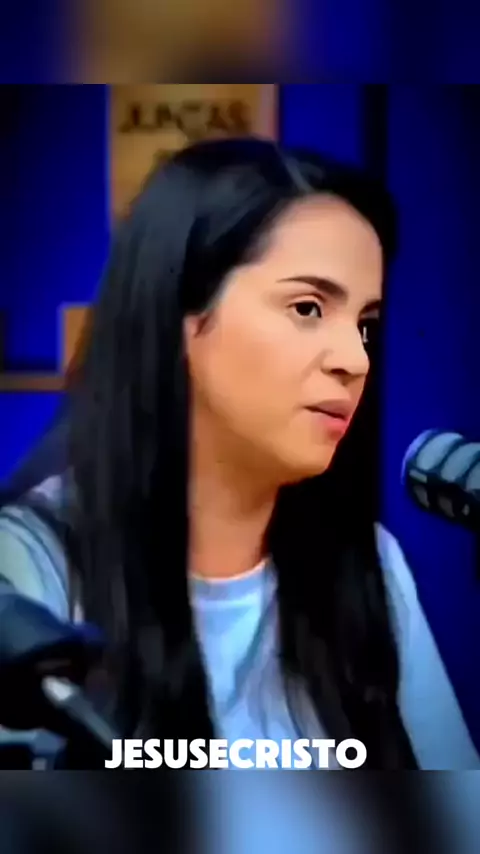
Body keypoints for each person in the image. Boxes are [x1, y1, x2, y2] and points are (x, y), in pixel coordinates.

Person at [0, 137, 478, 771]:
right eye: (308, 308)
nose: (356, 359)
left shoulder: (371, 565)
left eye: (365, 324)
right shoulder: (27, 570)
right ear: (180, 318)